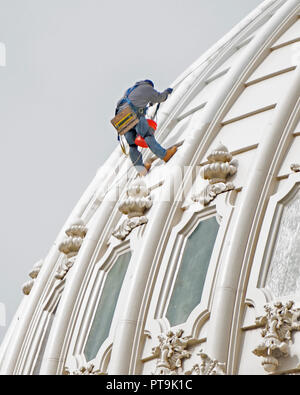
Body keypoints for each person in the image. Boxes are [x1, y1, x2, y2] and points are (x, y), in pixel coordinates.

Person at [115, 79, 177, 176]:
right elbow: (160, 97)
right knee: (147, 135)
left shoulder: (130, 90)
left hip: (122, 119)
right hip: (134, 115)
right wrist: (166, 92)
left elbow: (137, 101)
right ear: (150, 85)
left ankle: (141, 170)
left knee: (132, 145)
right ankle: (165, 155)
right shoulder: (148, 88)